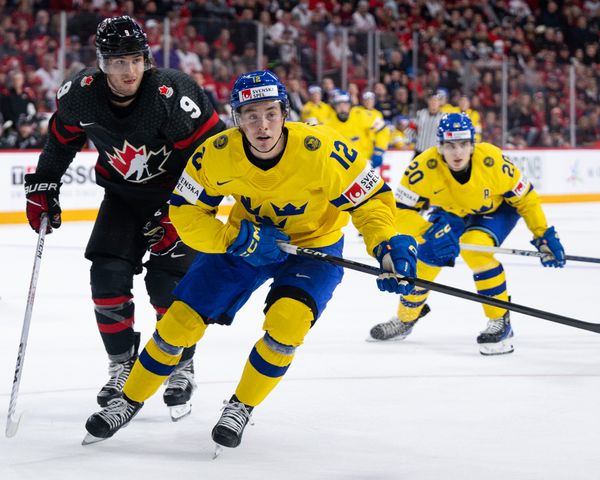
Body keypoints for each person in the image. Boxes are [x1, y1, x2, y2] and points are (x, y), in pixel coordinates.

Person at [82, 70, 417, 449]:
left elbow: (370, 203)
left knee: (287, 324)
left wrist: (386, 244)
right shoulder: (216, 153)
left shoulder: (322, 149)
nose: (262, 125)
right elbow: (185, 213)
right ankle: (128, 400)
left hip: (314, 248)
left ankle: (241, 405)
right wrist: (236, 238)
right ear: (236, 118)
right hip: (246, 242)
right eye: (251, 115)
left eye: (271, 113)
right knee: (179, 323)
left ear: (285, 113)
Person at [23, 16, 224, 417]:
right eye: (117, 62)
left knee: (168, 287)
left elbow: (213, 159)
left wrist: (185, 213)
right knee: (107, 277)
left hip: (177, 201)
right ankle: (121, 365)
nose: (128, 70)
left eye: (135, 60)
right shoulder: (80, 95)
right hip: (122, 198)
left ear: (146, 59)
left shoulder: (171, 93)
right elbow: (61, 142)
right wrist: (45, 183)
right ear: (101, 63)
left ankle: (180, 364)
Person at [368, 113, 566, 355]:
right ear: (439, 147)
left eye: (463, 144)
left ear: (473, 144)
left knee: (475, 249)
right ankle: (406, 318)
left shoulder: (493, 161)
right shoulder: (422, 168)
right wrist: (429, 231)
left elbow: (526, 199)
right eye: (450, 146)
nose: (457, 152)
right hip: (452, 213)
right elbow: (399, 211)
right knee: (426, 256)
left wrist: (543, 235)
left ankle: (499, 320)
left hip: (495, 211)